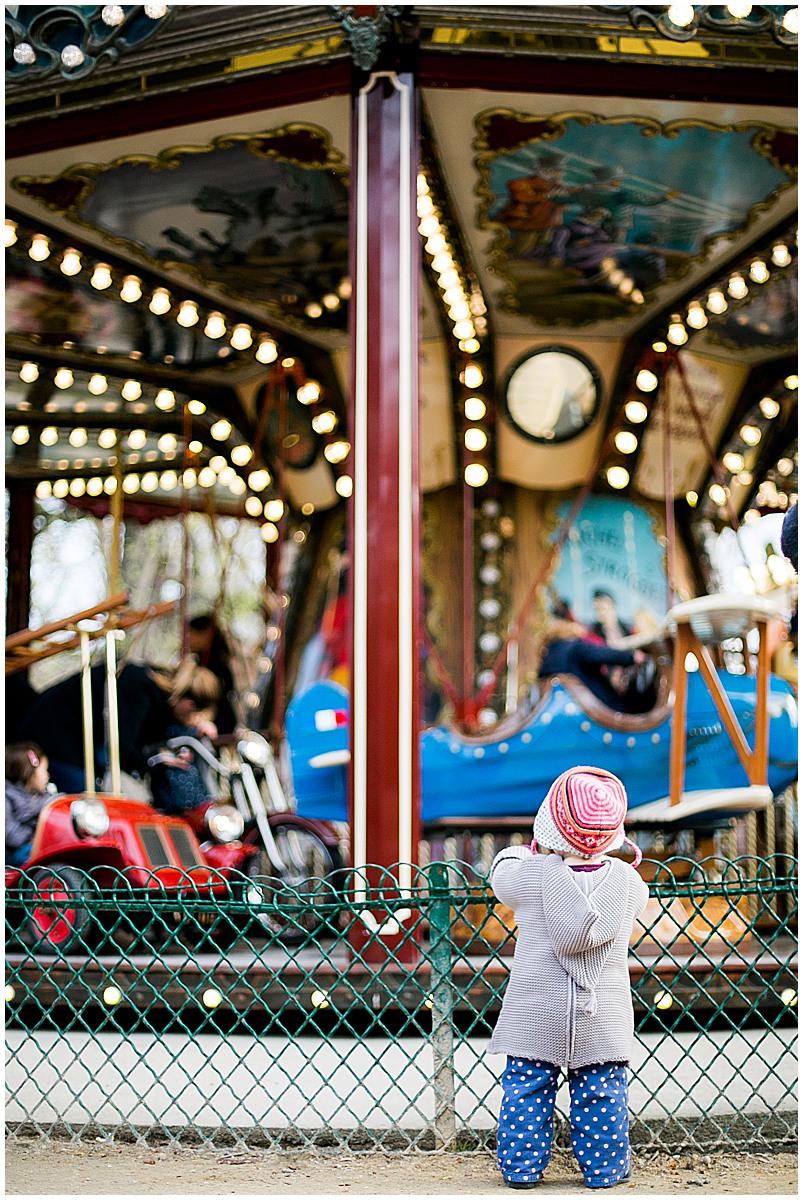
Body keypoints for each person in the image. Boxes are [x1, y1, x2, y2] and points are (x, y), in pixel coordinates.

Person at [487, 766, 649, 1190]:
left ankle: (521, 1170)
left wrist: (529, 850)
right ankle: (604, 1170)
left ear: (550, 826)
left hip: (536, 1011)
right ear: (614, 833)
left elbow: (500, 873)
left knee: (526, 1092)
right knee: (602, 1094)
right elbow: (640, 900)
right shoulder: (630, 883)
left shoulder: (530, 875)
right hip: (603, 1013)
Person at [18, 658, 220, 794]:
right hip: (55, 736)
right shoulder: (140, 688)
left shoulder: (154, 692)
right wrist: (156, 758)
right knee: (86, 799)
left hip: (75, 739)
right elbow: (123, 747)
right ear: (188, 704)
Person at [538, 619, 648, 713]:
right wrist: (632, 656)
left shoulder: (549, 656)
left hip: (565, 710)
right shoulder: (575, 647)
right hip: (598, 710)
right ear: (568, 633)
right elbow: (603, 654)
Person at [187, 614, 238, 734]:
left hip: (218, 725)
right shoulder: (201, 663)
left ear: (205, 635)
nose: (188, 639)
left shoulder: (217, 666)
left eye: (192, 634)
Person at [5, 743, 52, 866]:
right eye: (44, 771)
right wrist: (31, 838)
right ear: (29, 773)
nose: (48, 776)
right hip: (18, 849)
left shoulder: (43, 796)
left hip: (40, 843)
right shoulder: (8, 795)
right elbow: (7, 829)